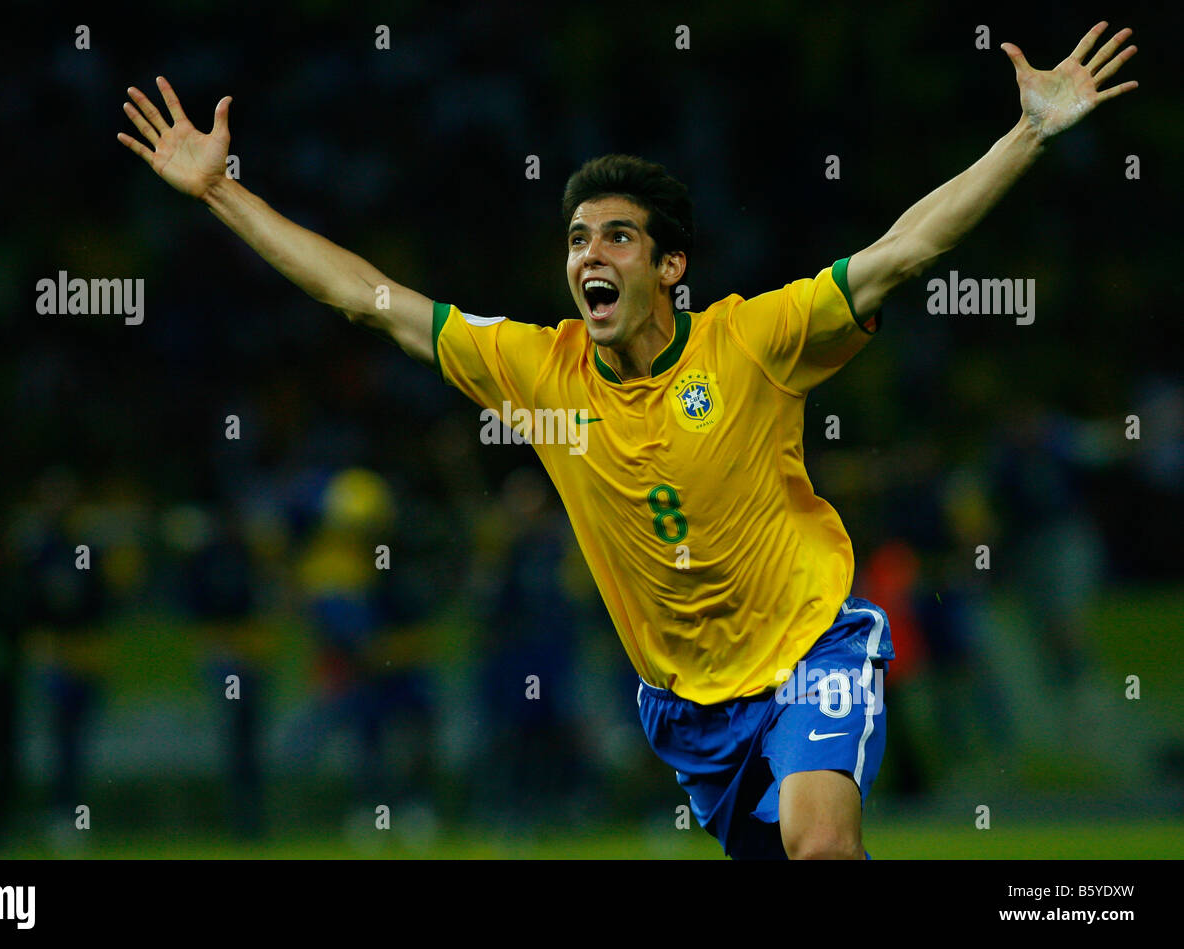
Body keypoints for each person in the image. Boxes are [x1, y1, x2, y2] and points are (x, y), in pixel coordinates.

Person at [117, 22, 1137, 858]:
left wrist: (1027, 137)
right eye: (574, 239)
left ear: (669, 265)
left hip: (813, 646)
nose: (587, 255)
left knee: (820, 847)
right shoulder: (534, 369)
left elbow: (903, 252)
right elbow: (369, 301)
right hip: (689, 707)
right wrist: (219, 192)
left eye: (614, 236)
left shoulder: (756, 339)